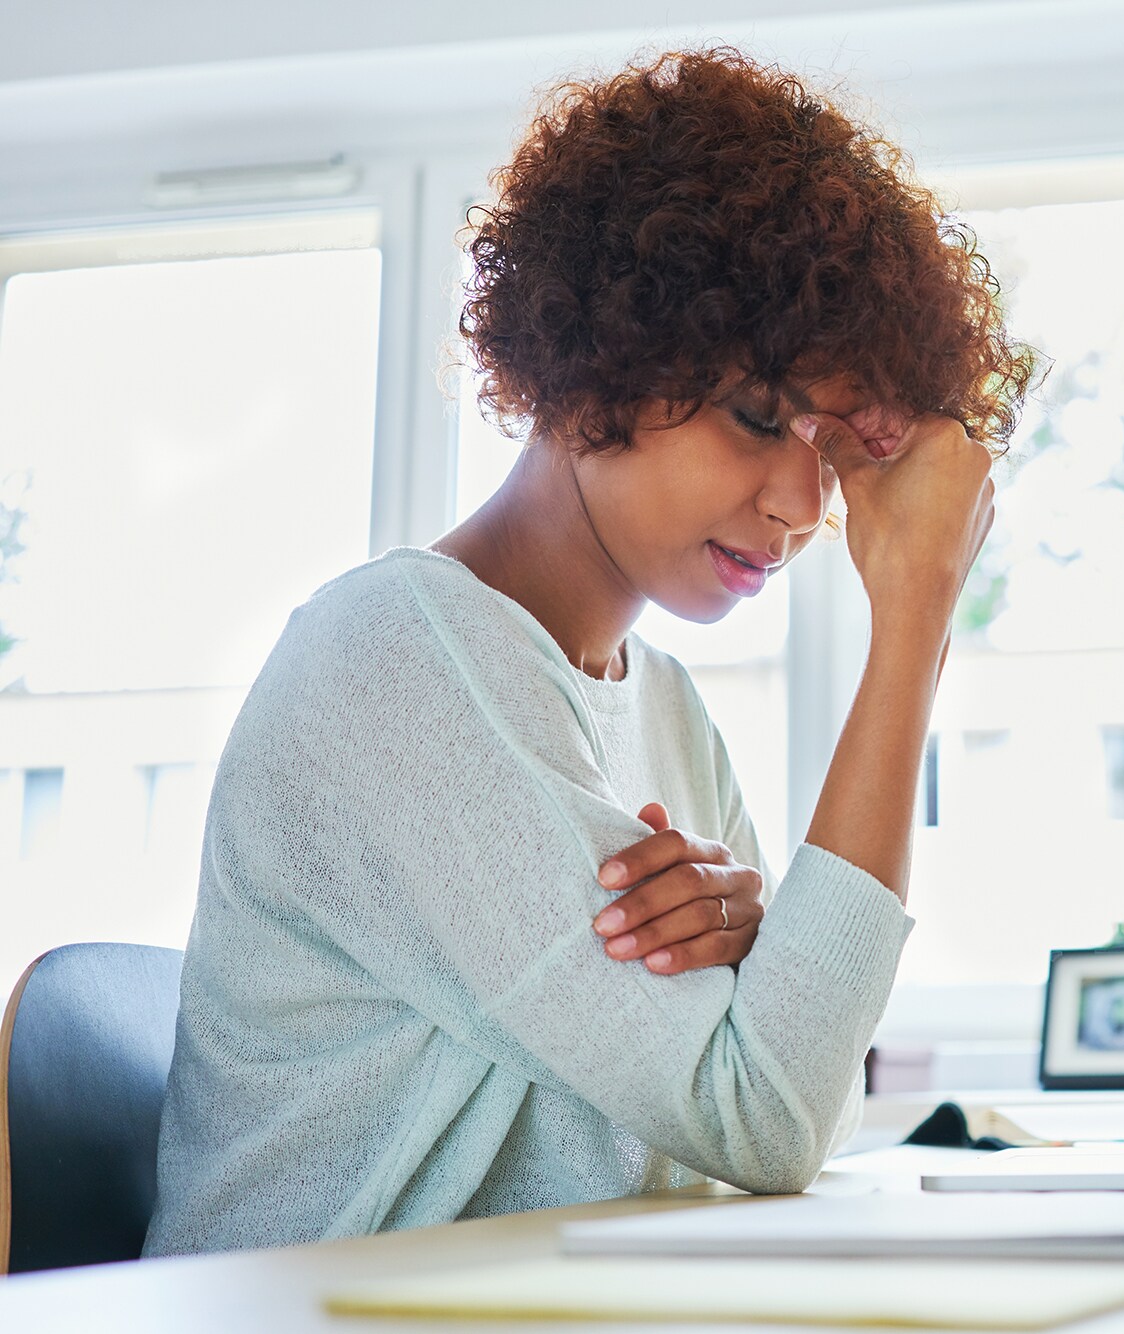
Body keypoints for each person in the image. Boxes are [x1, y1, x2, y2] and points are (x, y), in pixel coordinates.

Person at [144, 47, 1036, 1255]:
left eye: (830, 453)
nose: (801, 505)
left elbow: (804, 1094)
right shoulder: (392, 660)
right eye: (759, 418)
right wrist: (914, 612)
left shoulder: (665, 712)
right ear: (589, 365)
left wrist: (767, 959)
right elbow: (765, 1115)